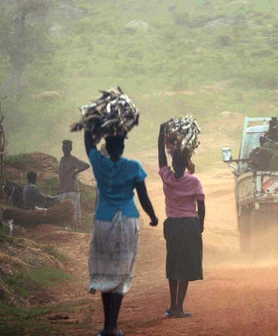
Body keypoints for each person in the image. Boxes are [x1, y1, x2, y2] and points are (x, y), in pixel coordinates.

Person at [85, 129, 159, 336]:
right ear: (123, 147)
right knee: (120, 273)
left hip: (103, 223)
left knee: (105, 272)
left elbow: (88, 145)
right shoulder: (133, 167)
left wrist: (91, 127)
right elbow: (143, 198)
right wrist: (153, 217)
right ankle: (112, 327)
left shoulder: (99, 164)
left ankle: (106, 326)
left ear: (106, 148)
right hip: (127, 223)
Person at [158, 122, 205, 319]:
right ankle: (179, 307)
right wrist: (200, 226)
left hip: (173, 225)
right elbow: (201, 205)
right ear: (186, 162)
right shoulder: (194, 181)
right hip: (189, 225)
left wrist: (161, 134)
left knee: (173, 263)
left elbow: (160, 155)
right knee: (186, 265)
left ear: (172, 162)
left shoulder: (166, 177)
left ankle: (172, 306)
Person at [58, 139, 91, 223]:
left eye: (67, 148)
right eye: (64, 148)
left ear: (70, 149)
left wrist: (76, 172)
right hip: (63, 189)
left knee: (74, 211)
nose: (65, 150)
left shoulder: (73, 159)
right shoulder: (62, 159)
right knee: (63, 211)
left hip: (72, 188)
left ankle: (75, 227)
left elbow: (87, 165)